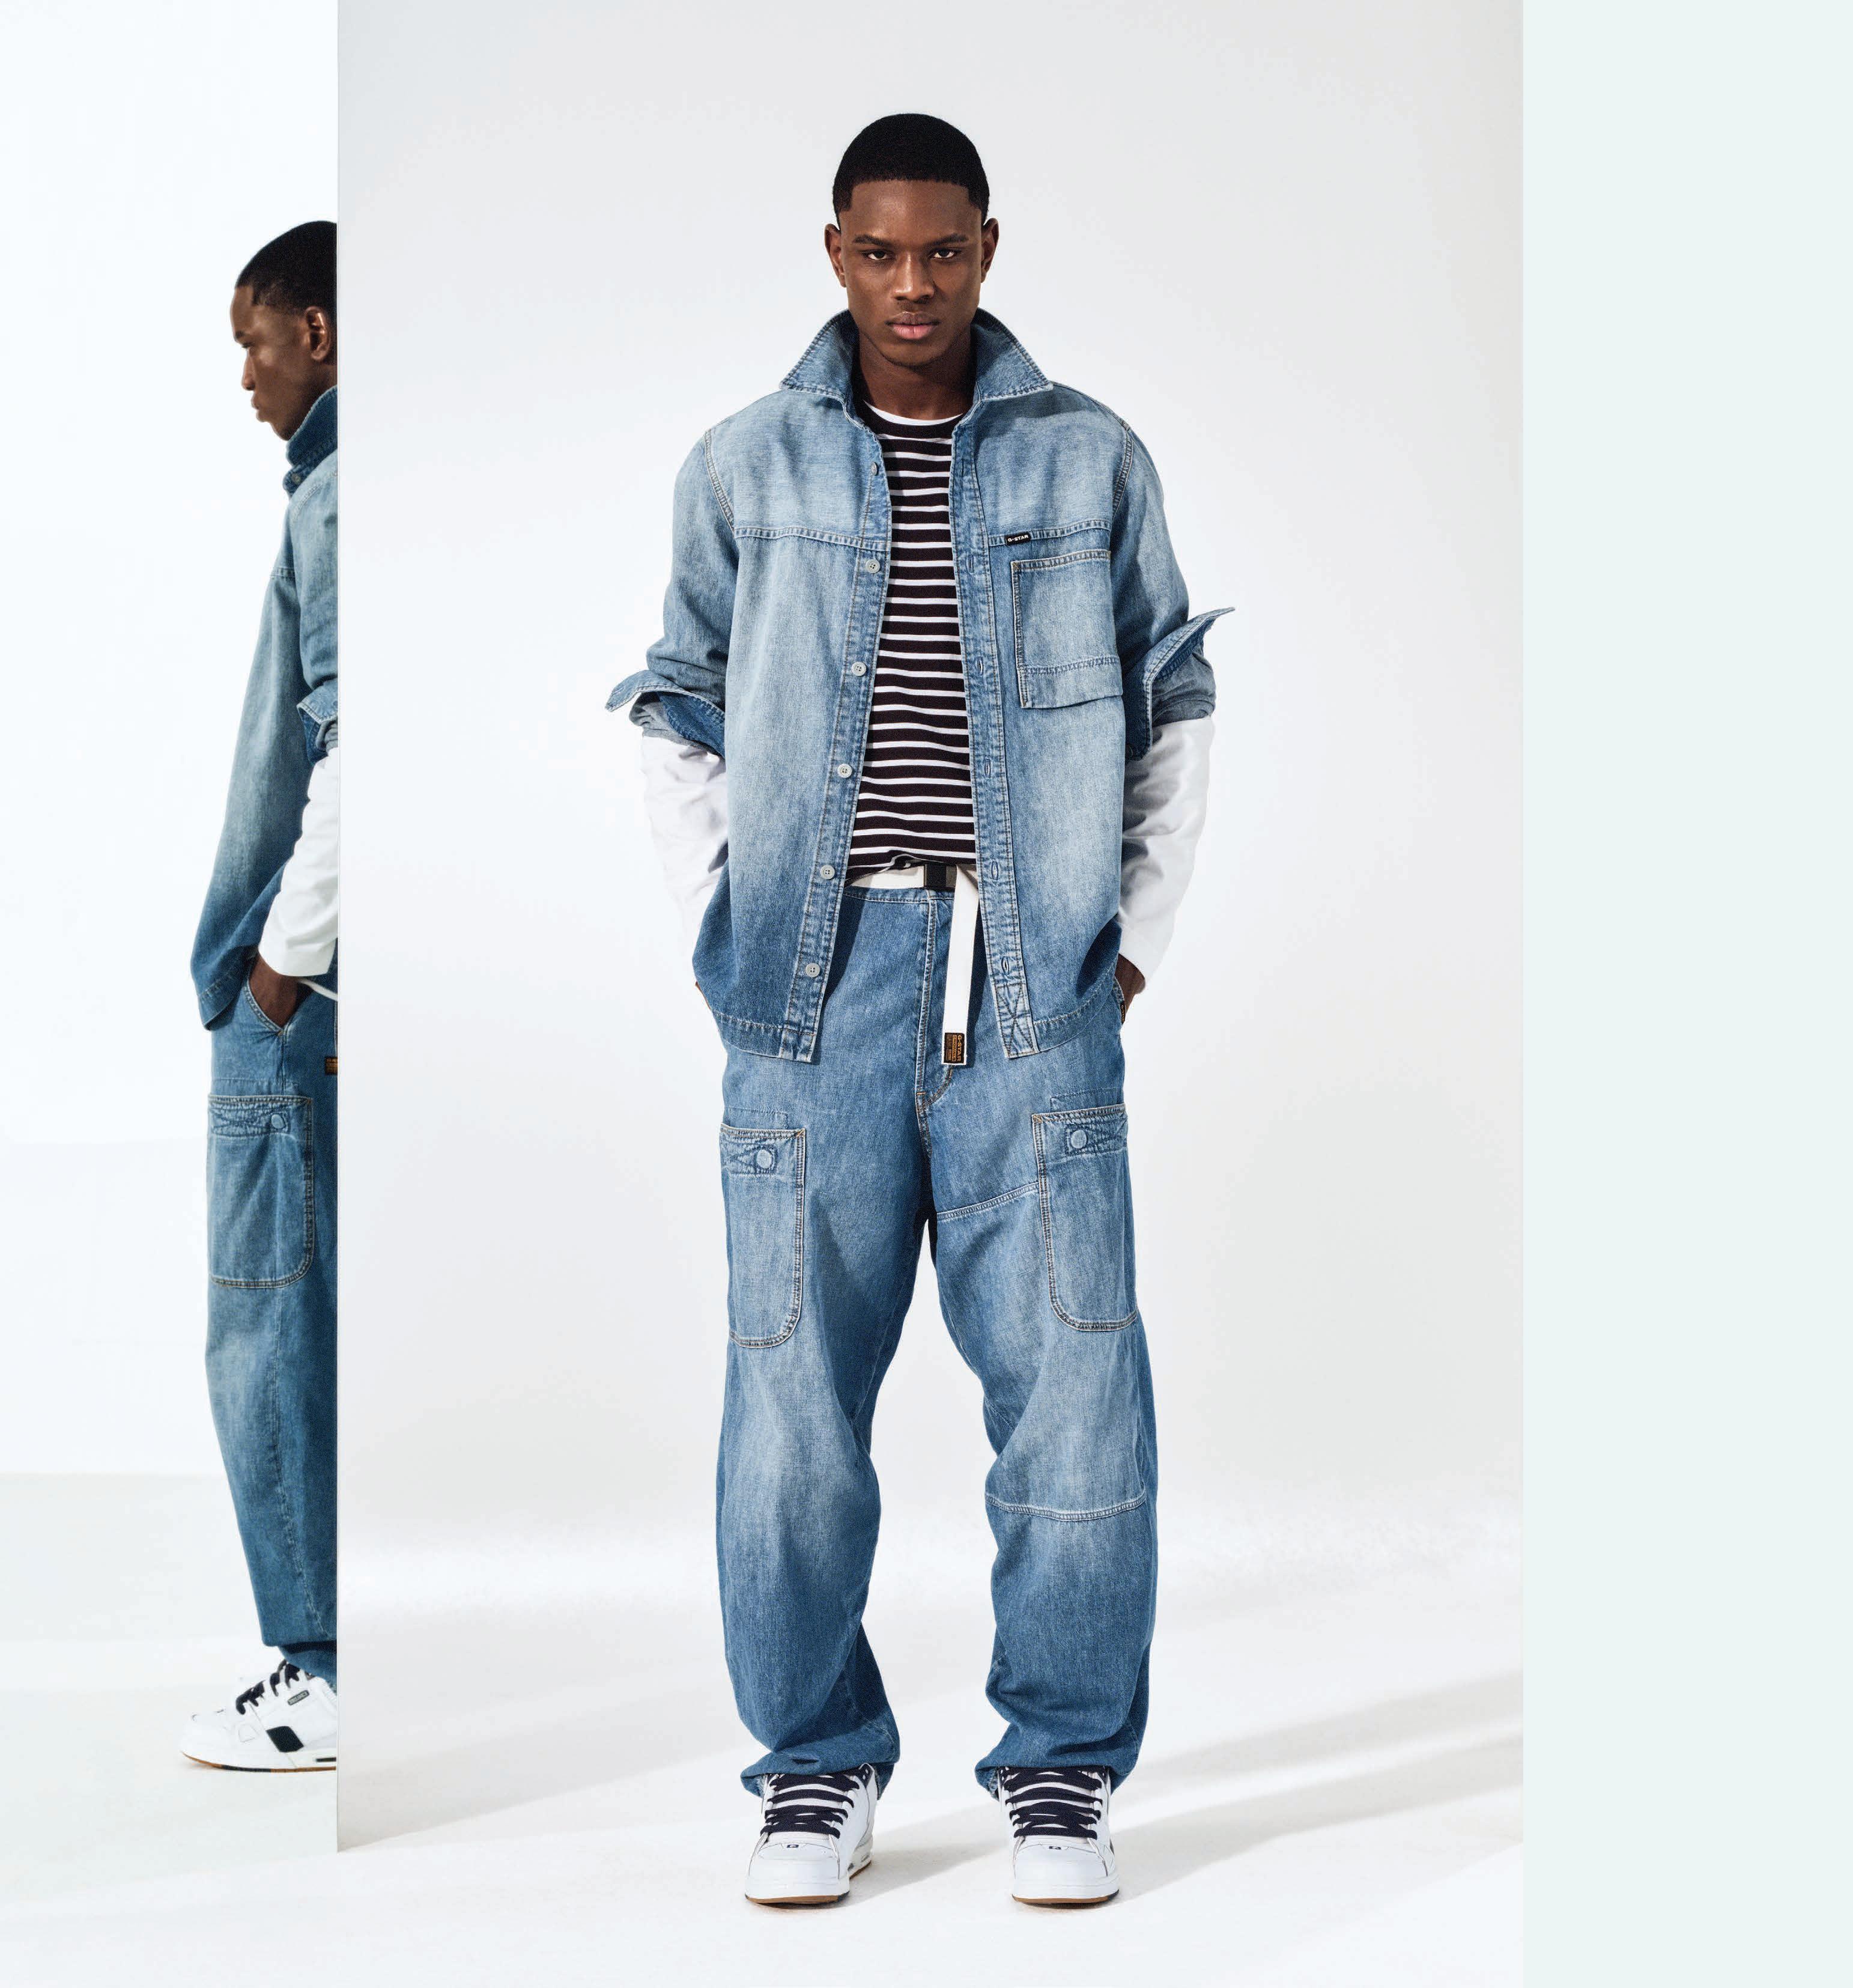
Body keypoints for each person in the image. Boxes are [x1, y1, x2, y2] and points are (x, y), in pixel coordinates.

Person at [611, 114, 1221, 1907]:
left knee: (1077, 1391)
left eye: (942, 252)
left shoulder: (1089, 458)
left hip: (1035, 983)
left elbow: (1173, 702)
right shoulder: (744, 464)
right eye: (878, 253)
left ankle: (1063, 1770)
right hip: (816, 985)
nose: (911, 286)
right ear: (835, 252)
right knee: (790, 1405)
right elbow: (675, 707)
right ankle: (814, 1769)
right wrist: (731, 938)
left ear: (988, 247)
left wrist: (1127, 946)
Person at [180, 221, 341, 1771]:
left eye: (256, 341)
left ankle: (322, 1667)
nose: (248, 376)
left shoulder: (344, 495)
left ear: (321, 333)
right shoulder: (337, 492)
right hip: (314, 990)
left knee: (268, 1325)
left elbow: (359, 741)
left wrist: (279, 976)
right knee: (296, 1317)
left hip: (303, 995)